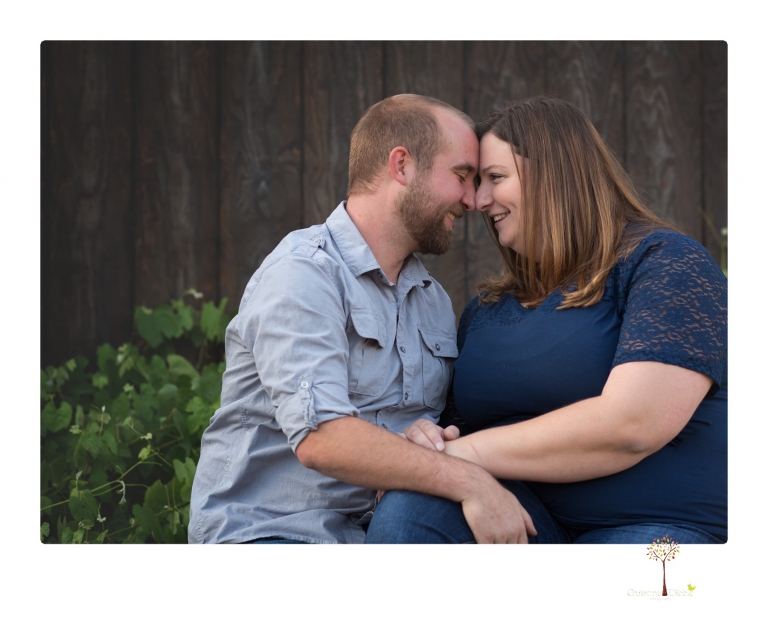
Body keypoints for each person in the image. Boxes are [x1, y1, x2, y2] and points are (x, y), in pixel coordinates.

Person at [365, 96, 727, 544]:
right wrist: (430, 440)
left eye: (495, 178)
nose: (478, 200)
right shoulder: (485, 310)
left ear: (556, 175)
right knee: (411, 504)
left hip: (655, 524)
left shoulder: (665, 263)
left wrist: (458, 455)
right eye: (475, 182)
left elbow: (634, 424)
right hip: (526, 519)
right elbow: (455, 428)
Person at [188, 94, 535, 544]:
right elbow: (322, 438)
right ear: (402, 166)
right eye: (461, 176)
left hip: (384, 533)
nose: (472, 200)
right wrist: (468, 481)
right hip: (271, 535)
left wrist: (422, 440)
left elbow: (414, 437)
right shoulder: (304, 274)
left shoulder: (431, 300)